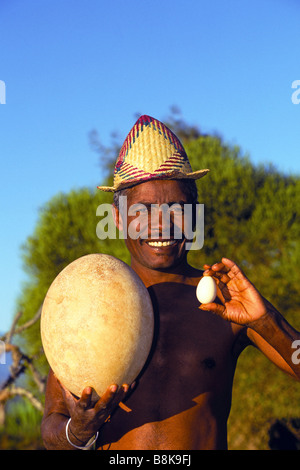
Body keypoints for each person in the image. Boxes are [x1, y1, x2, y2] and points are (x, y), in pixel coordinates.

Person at [41, 115, 300, 450]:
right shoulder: (87, 300)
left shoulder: (225, 301)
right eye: (144, 209)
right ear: (118, 218)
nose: (161, 224)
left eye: (177, 208)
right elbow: (52, 424)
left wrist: (266, 321)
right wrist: (76, 432)